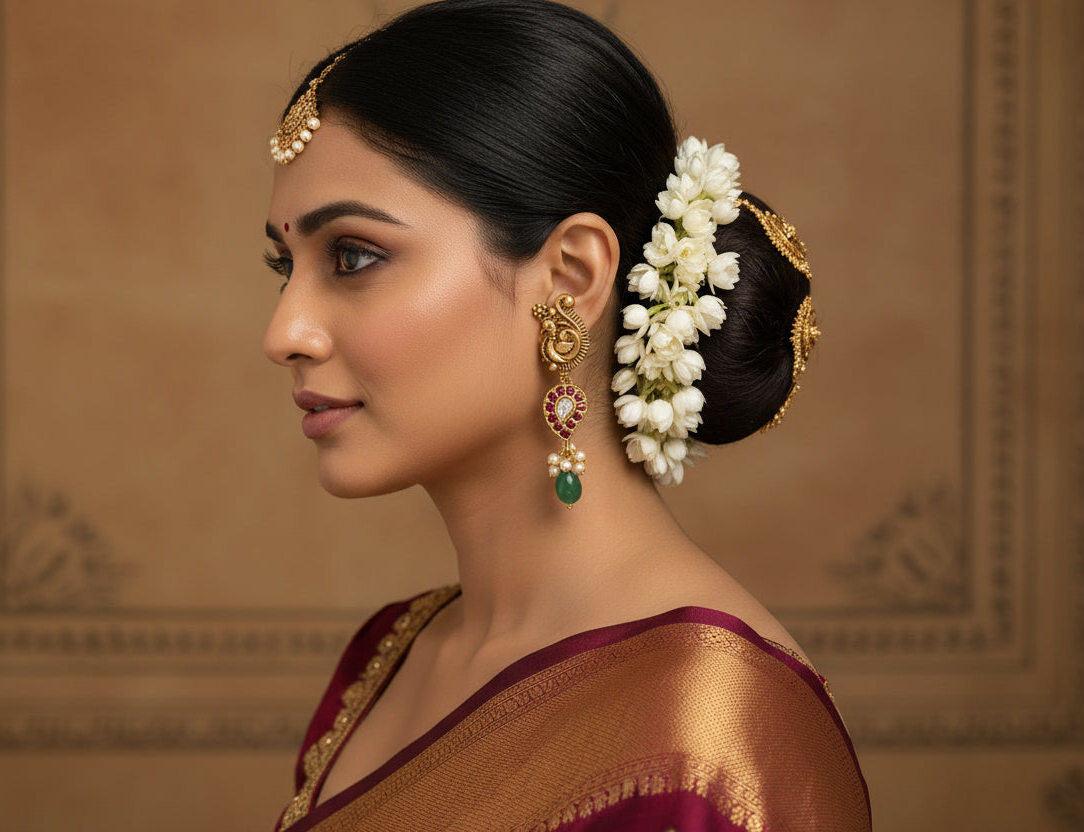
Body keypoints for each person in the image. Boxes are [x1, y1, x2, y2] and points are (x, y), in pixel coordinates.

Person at [261, 1, 870, 829]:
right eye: (283, 266)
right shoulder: (390, 655)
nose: (284, 332)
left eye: (354, 257)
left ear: (570, 279)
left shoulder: (704, 733)